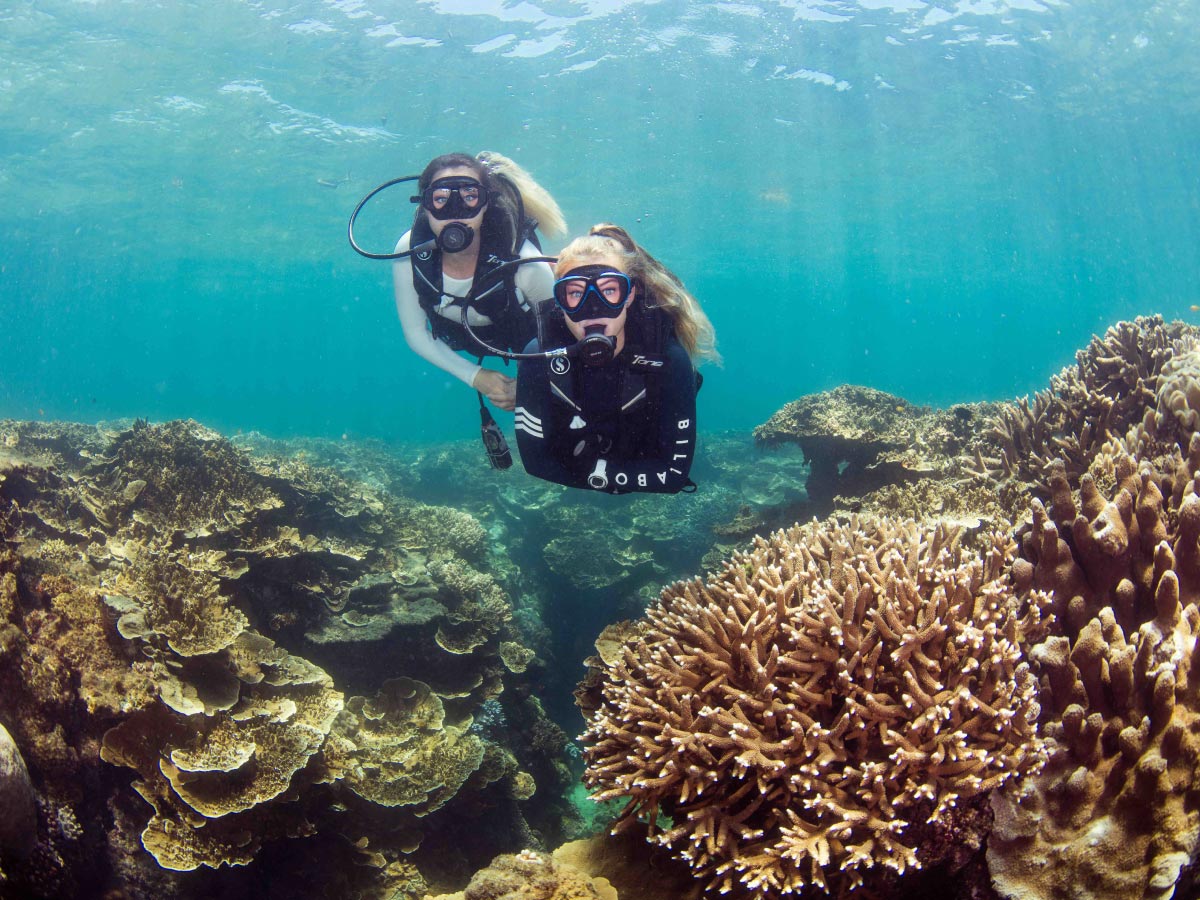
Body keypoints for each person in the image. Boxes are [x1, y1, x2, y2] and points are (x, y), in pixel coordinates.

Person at [514, 224, 719, 494]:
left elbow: (674, 476)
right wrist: (612, 475)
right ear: (560, 301)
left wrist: (597, 473)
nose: (593, 307)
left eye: (609, 290)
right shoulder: (538, 356)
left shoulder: (668, 359)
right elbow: (535, 463)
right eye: (575, 293)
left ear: (630, 295)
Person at [392, 151, 566, 413]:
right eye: (440, 199)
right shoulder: (410, 252)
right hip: (463, 336)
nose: (455, 213)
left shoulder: (525, 264)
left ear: (486, 205)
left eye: (470, 197)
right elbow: (416, 333)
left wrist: (533, 383)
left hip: (526, 341)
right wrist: (476, 377)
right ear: (424, 207)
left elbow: (564, 338)